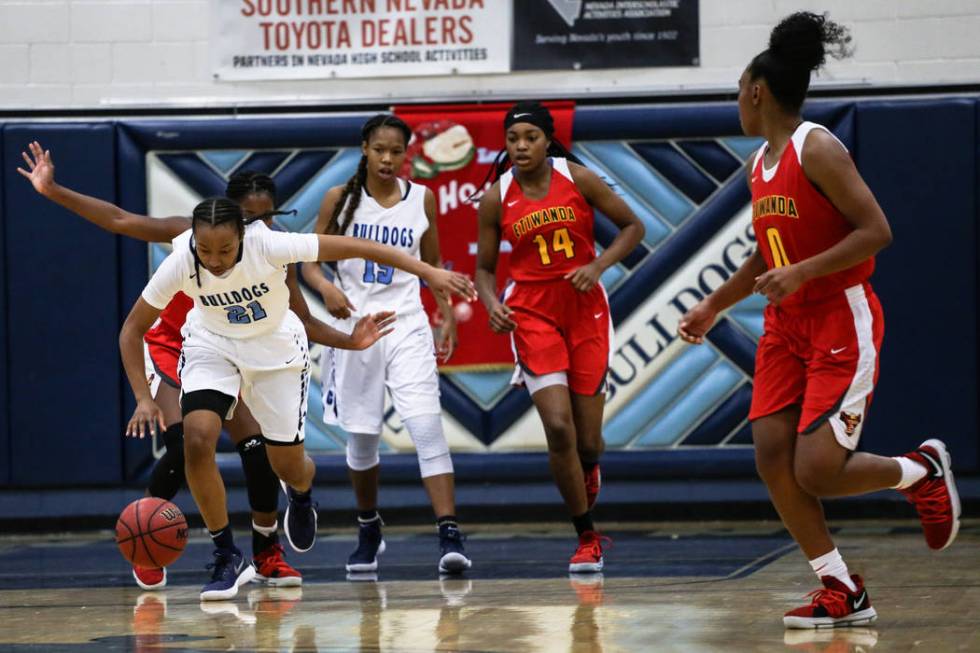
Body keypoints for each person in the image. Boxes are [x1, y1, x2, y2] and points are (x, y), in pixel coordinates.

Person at [676, 12, 961, 629]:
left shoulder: (818, 145)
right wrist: (714, 303)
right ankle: (840, 587)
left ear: (756, 90)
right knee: (771, 454)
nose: (737, 101)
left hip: (840, 317)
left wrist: (804, 272)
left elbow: (877, 231)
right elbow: (767, 248)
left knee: (818, 469)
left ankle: (919, 471)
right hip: (786, 326)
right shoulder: (760, 164)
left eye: (738, 91)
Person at [15, 144, 375, 590]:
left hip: (239, 351)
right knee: (189, 440)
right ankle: (148, 540)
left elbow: (299, 319)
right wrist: (52, 191)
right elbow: (120, 220)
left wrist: (350, 341)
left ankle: (265, 552)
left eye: (264, 218)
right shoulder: (189, 236)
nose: (254, 227)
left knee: (257, 449)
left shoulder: (269, 251)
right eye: (247, 216)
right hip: (177, 345)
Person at [119, 196, 473, 599]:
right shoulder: (182, 259)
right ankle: (226, 553)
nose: (214, 260)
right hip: (211, 346)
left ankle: (302, 493)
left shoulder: (269, 245)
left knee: (288, 465)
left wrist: (428, 271)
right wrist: (144, 398)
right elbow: (131, 330)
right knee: (196, 439)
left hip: (276, 353)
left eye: (225, 250)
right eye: (205, 250)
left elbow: (360, 246)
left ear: (243, 237)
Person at [474, 101, 645, 573]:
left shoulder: (579, 177)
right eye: (513, 139)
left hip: (585, 309)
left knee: (587, 440)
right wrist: (492, 305)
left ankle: (588, 466)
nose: (521, 146)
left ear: (547, 139)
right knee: (558, 428)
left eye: (530, 137)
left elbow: (634, 227)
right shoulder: (497, 196)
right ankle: (586, 534)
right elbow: (485, 270)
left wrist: (596, 265)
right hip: (531, 312)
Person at [302, 113, 471, 575]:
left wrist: (444, 315)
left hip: (407, 324)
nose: (388, 159)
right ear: (364, 148)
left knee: (425, 425)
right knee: (363, 438)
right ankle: (368, 526)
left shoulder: (423, 198)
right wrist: (327, 288)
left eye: (396, 151)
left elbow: (432, 264)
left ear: (406, 155)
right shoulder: (339, 199)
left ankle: (449, 532)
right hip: (355, 330)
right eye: (380, 149)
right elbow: (310, 265)